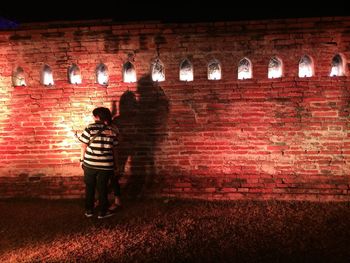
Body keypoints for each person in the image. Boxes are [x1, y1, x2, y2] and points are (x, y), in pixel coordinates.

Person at [78, 107, 119, 219]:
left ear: (97, 117)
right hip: (106, 165)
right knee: (103, 188)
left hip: (89, 164)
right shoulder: (111, 130)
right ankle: (102, 212)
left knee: (90, 187)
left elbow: (83, 145)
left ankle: (89, 211)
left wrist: (81, 160)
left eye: (94, 115)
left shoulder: (90, 128)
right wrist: (116, 164)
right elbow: (114, 149)